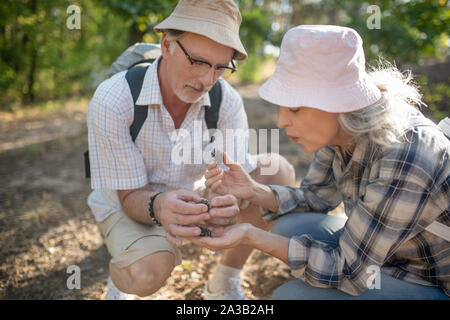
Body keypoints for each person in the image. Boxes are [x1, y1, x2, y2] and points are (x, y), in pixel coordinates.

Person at [189, 25, 450, 299]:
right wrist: (253, 190)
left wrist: (251, 235)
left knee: (291, 297)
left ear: (338, 103)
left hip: (432, 279)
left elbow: (350, 270)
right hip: (388, 259)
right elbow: (316, 198)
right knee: (289, 228)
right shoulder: (344, 127)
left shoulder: (405, 153)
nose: (281, 121)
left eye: (295, 109)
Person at [86, 0, 295, 300]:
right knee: (145, 273)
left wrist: (228, 200)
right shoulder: (113, 99)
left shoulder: (226, 101)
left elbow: (230, 179)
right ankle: (124, 272)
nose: (207, 80)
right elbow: (130, 196)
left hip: (192, 196)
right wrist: (160, 206)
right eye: (197, 61)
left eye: (221, 67)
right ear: (167, 44)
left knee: (278, 171)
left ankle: (224, 283)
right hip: (131, 200)